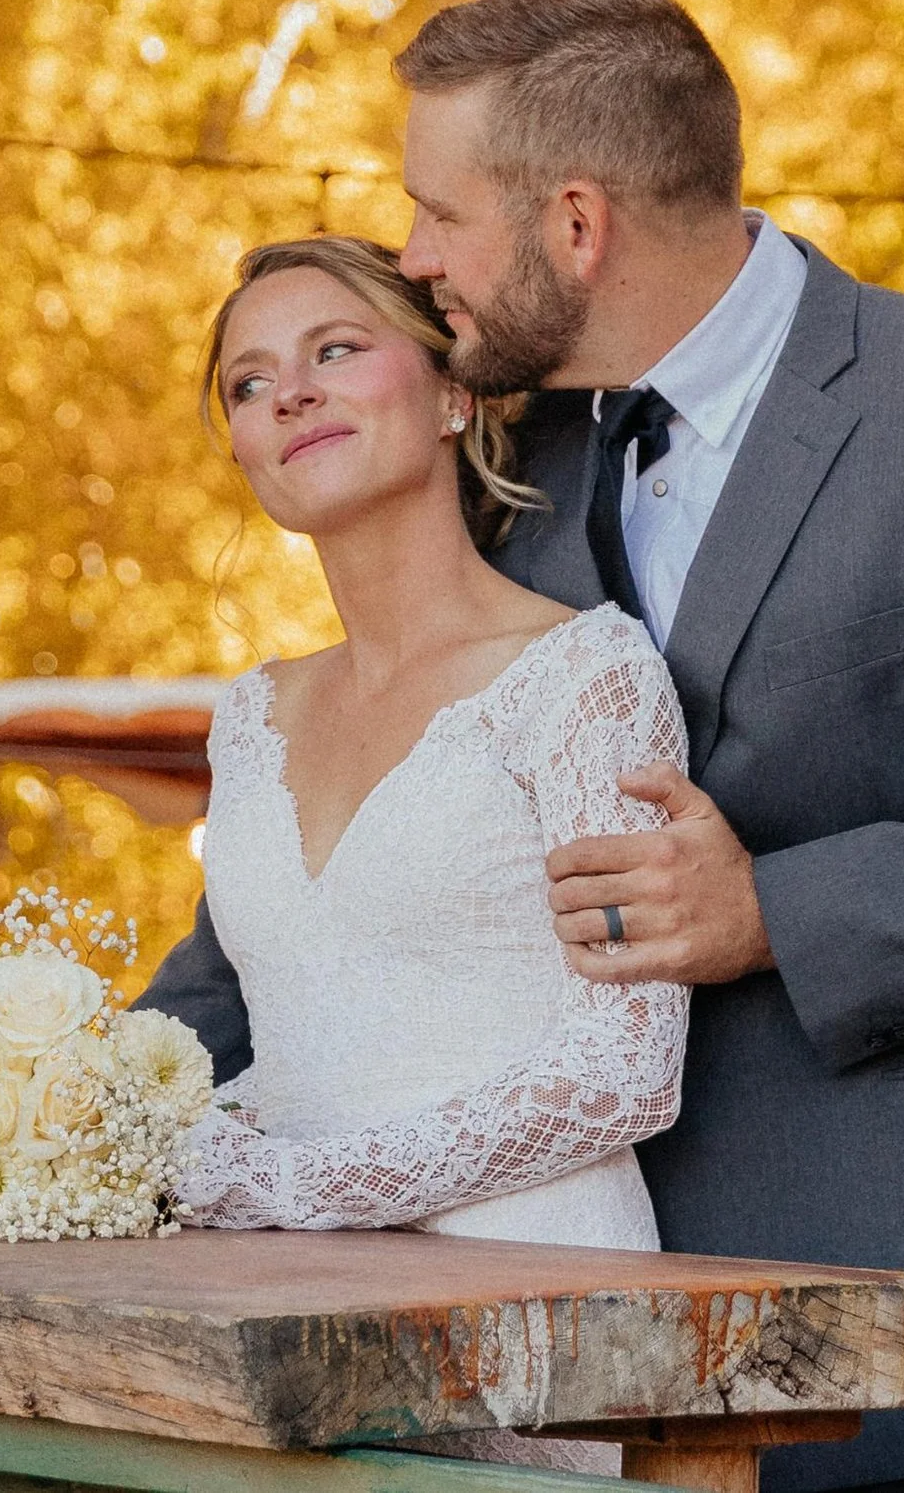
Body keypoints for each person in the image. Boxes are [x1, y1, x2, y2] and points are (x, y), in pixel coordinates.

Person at [142, 0, 904, 1493]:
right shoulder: (501, 455)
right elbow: (327, 906)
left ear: (578, 222)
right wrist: (54, 1114)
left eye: (439, 214)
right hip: (598, 1352)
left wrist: (776, 911)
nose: (415, 259)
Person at [164, 231, 688, 1247]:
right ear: (243, 453)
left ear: (454, 391)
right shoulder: (251, 717)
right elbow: (321, 1032)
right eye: (248, 381)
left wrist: (297, 1189)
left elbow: (624, 1069)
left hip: (535, 1272)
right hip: (293, 1296)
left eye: (335, 350)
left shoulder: (585, 676)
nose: (290, 393)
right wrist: (151, 1136)